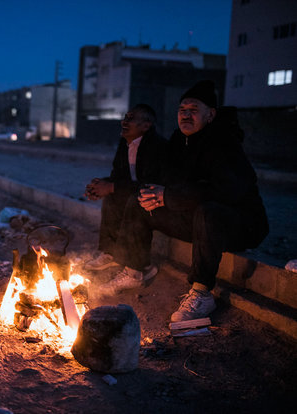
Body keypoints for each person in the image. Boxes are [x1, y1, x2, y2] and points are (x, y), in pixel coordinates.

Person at [102, 80, 269, 322]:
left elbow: (224, 192)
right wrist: (156, 195)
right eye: (182, 110)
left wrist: (168, 196)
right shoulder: (179, 141)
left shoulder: (224, 143)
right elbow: (167, 181)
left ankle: (202, 293)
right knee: (141, 200)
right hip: (195, 219)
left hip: (239, 224)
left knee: (208, 210)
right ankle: (134, 270)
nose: (186, 115)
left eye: (193, 110)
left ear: (210, 114)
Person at [84, 104, 166, 273]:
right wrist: (100, 186)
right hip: (134, 192)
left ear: (146, 125)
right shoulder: (125, 143)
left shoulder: (158, 146)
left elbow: (150, 184)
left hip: (159, 200)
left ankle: (140, 267)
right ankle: (110, 253)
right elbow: (118, 177)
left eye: (131, 119)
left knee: (129, 198)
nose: (124, 122)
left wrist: (111, 186)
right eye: (125, 117)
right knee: (112, 196)